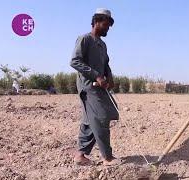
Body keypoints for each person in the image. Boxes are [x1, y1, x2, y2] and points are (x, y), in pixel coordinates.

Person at [70, 8, 121, 166]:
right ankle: (107, 157)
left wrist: (109, 77)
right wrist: (97, 76)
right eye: (105, 25)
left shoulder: (102, 45)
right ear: (97, 22)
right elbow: (75, 61)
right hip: (88, 87)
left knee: (91, 119)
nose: (107, 29)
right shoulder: (85, 39)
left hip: (100, 88)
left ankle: (80, 155)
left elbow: (106, 64)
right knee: (101, 117)